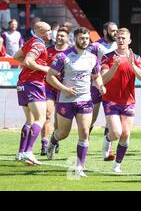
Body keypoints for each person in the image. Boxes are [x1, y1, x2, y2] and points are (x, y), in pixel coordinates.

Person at [45, 27, 105, 177]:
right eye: (81, 38)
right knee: (63, 133)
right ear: (75, 39)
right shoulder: (63, 57)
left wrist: (101, 85)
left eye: (86, 38)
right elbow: (50, 76)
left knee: (84, 132)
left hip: (85, 99)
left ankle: (79, 167)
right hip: (65, 100)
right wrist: (64, 89)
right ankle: (53, 141)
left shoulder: (92, 58)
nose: (84, 41)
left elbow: (96, 76)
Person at [100, 28, 141, 173]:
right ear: (116, 40)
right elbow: (103, 79)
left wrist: (132, 64)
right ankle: (108, 140)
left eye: (124, 38)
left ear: (129, 41)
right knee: (116, 133)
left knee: (126, 134)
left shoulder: (137, 58)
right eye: (119, 38)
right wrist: (115, 65)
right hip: (110, 100)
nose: (121, 40)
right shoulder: (107, 57)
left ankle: (117, 165)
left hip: (128, 101)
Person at [14, 21, 52, 165]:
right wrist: (45, 69)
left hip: (23, 84)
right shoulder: (39, 44)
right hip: (33, 83)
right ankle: (29, 152)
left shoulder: (30, 42)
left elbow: (17, 57)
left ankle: (21, 152)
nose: (50, 33)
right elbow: (29, 61)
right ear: (41, 32)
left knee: (30, 120)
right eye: (48, 30)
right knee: (41, 118)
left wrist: (32, 66)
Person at [90, 21, 118, 161]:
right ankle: (85, 141)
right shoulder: (95, 46)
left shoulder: (119, 45)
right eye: (112, 30)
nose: (115, 33)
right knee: (91, 118)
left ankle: (108, 149)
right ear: (105, 31)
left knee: (110, 118)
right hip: (96, 86)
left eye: (116, 30)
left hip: (112, 87)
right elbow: (88, 62)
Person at [40, 26, 70, 156]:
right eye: (58, 35)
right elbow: (42, 67)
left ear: (68, 38)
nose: (59, 37)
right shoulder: (48, 51)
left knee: (59, 120)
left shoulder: (70, 53)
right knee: (47, 114)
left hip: (64, 89)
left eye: (62, 36)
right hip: (49, 87)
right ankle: (44, 143)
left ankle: (54, 138)